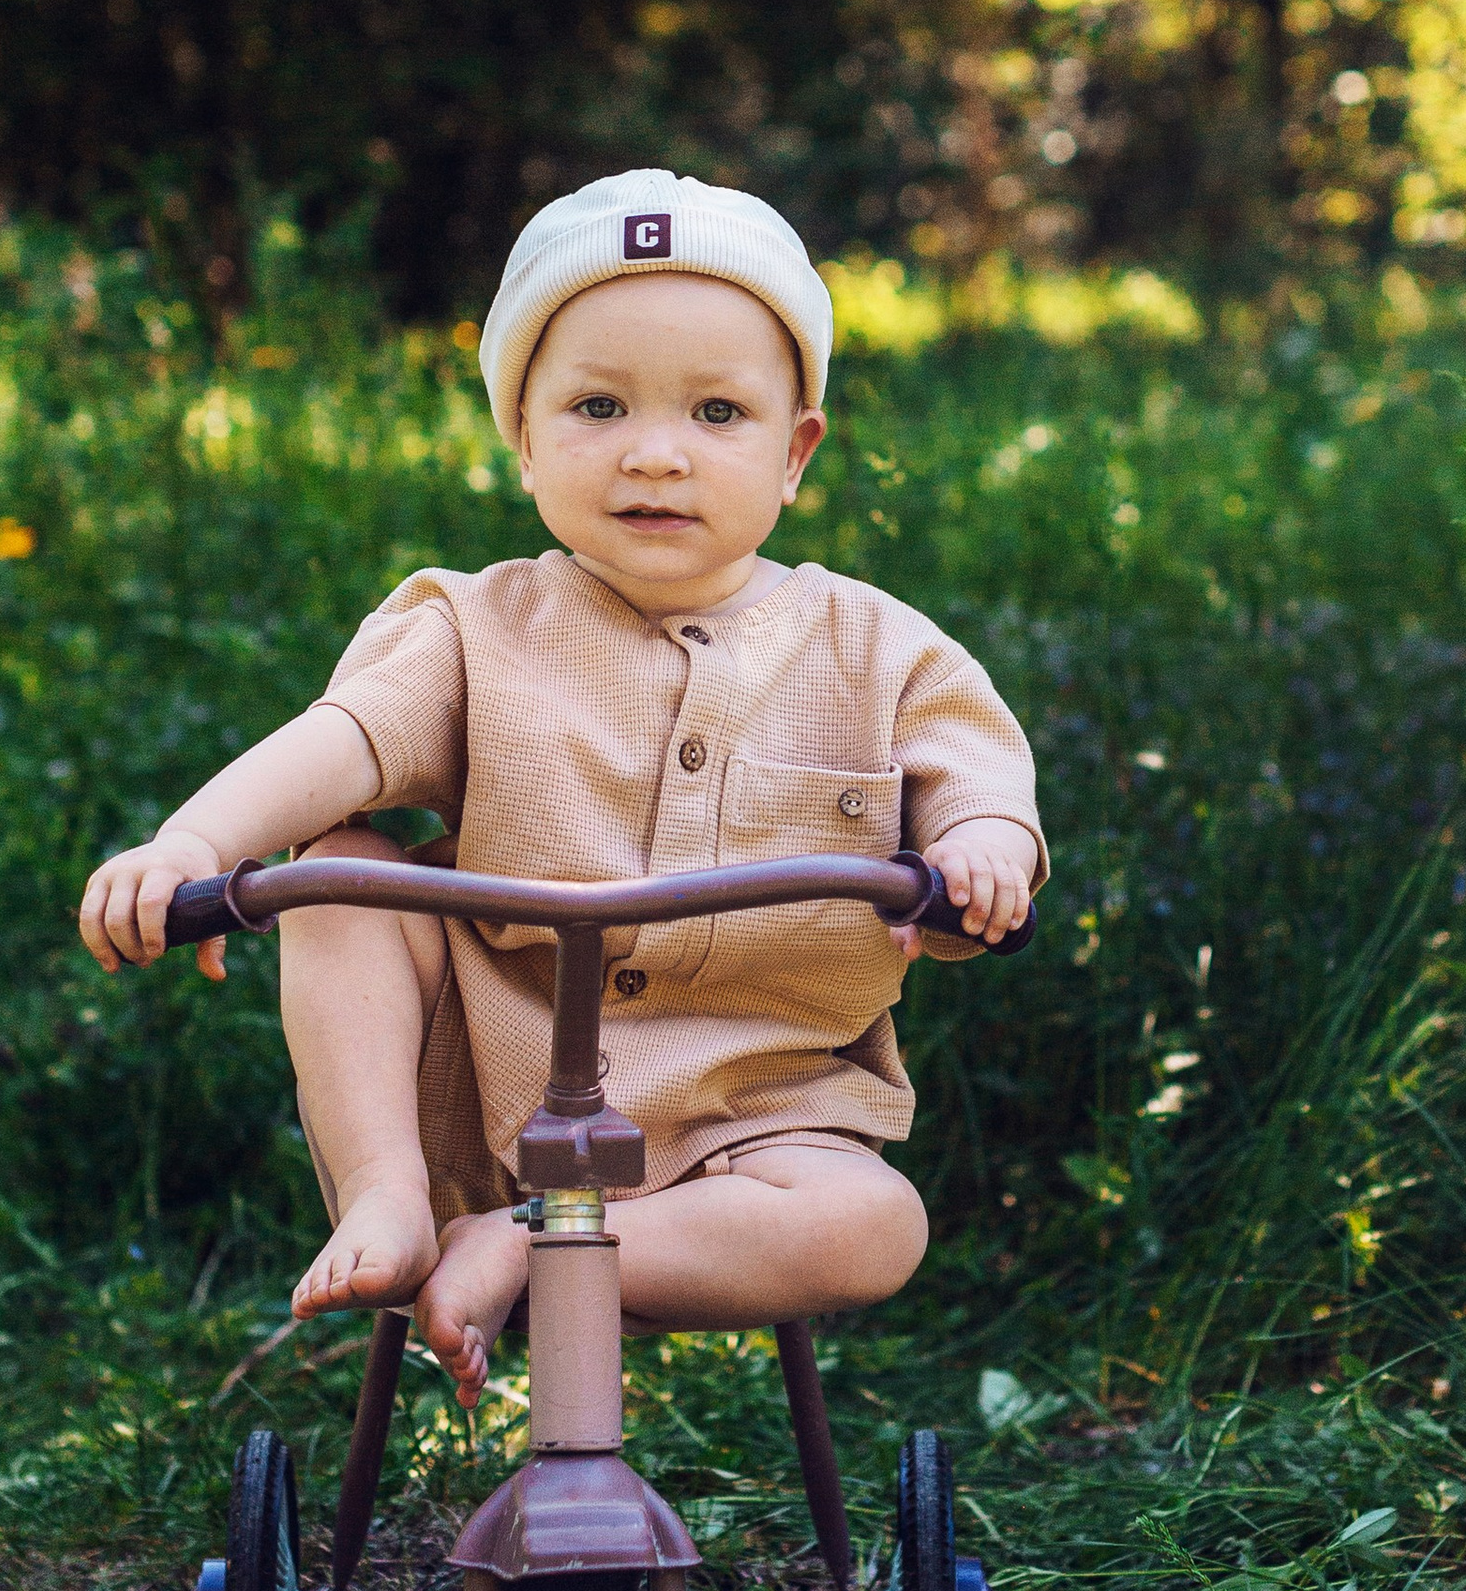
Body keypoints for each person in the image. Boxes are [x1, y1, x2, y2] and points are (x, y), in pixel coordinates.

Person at [77, 170, 1044, 1403]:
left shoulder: (878, 648)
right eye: (597, 405)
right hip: (497, 1078)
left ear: (795, 452)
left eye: (715, 413)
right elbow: (340, 740)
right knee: (340, 866)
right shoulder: (475, 630)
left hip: (759, 1110)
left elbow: (978, 773)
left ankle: (521, 1252)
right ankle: (393, 1193)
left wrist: (980, 849)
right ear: (523, 438)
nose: (655, 453)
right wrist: (192, 843)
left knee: (874, 1225)